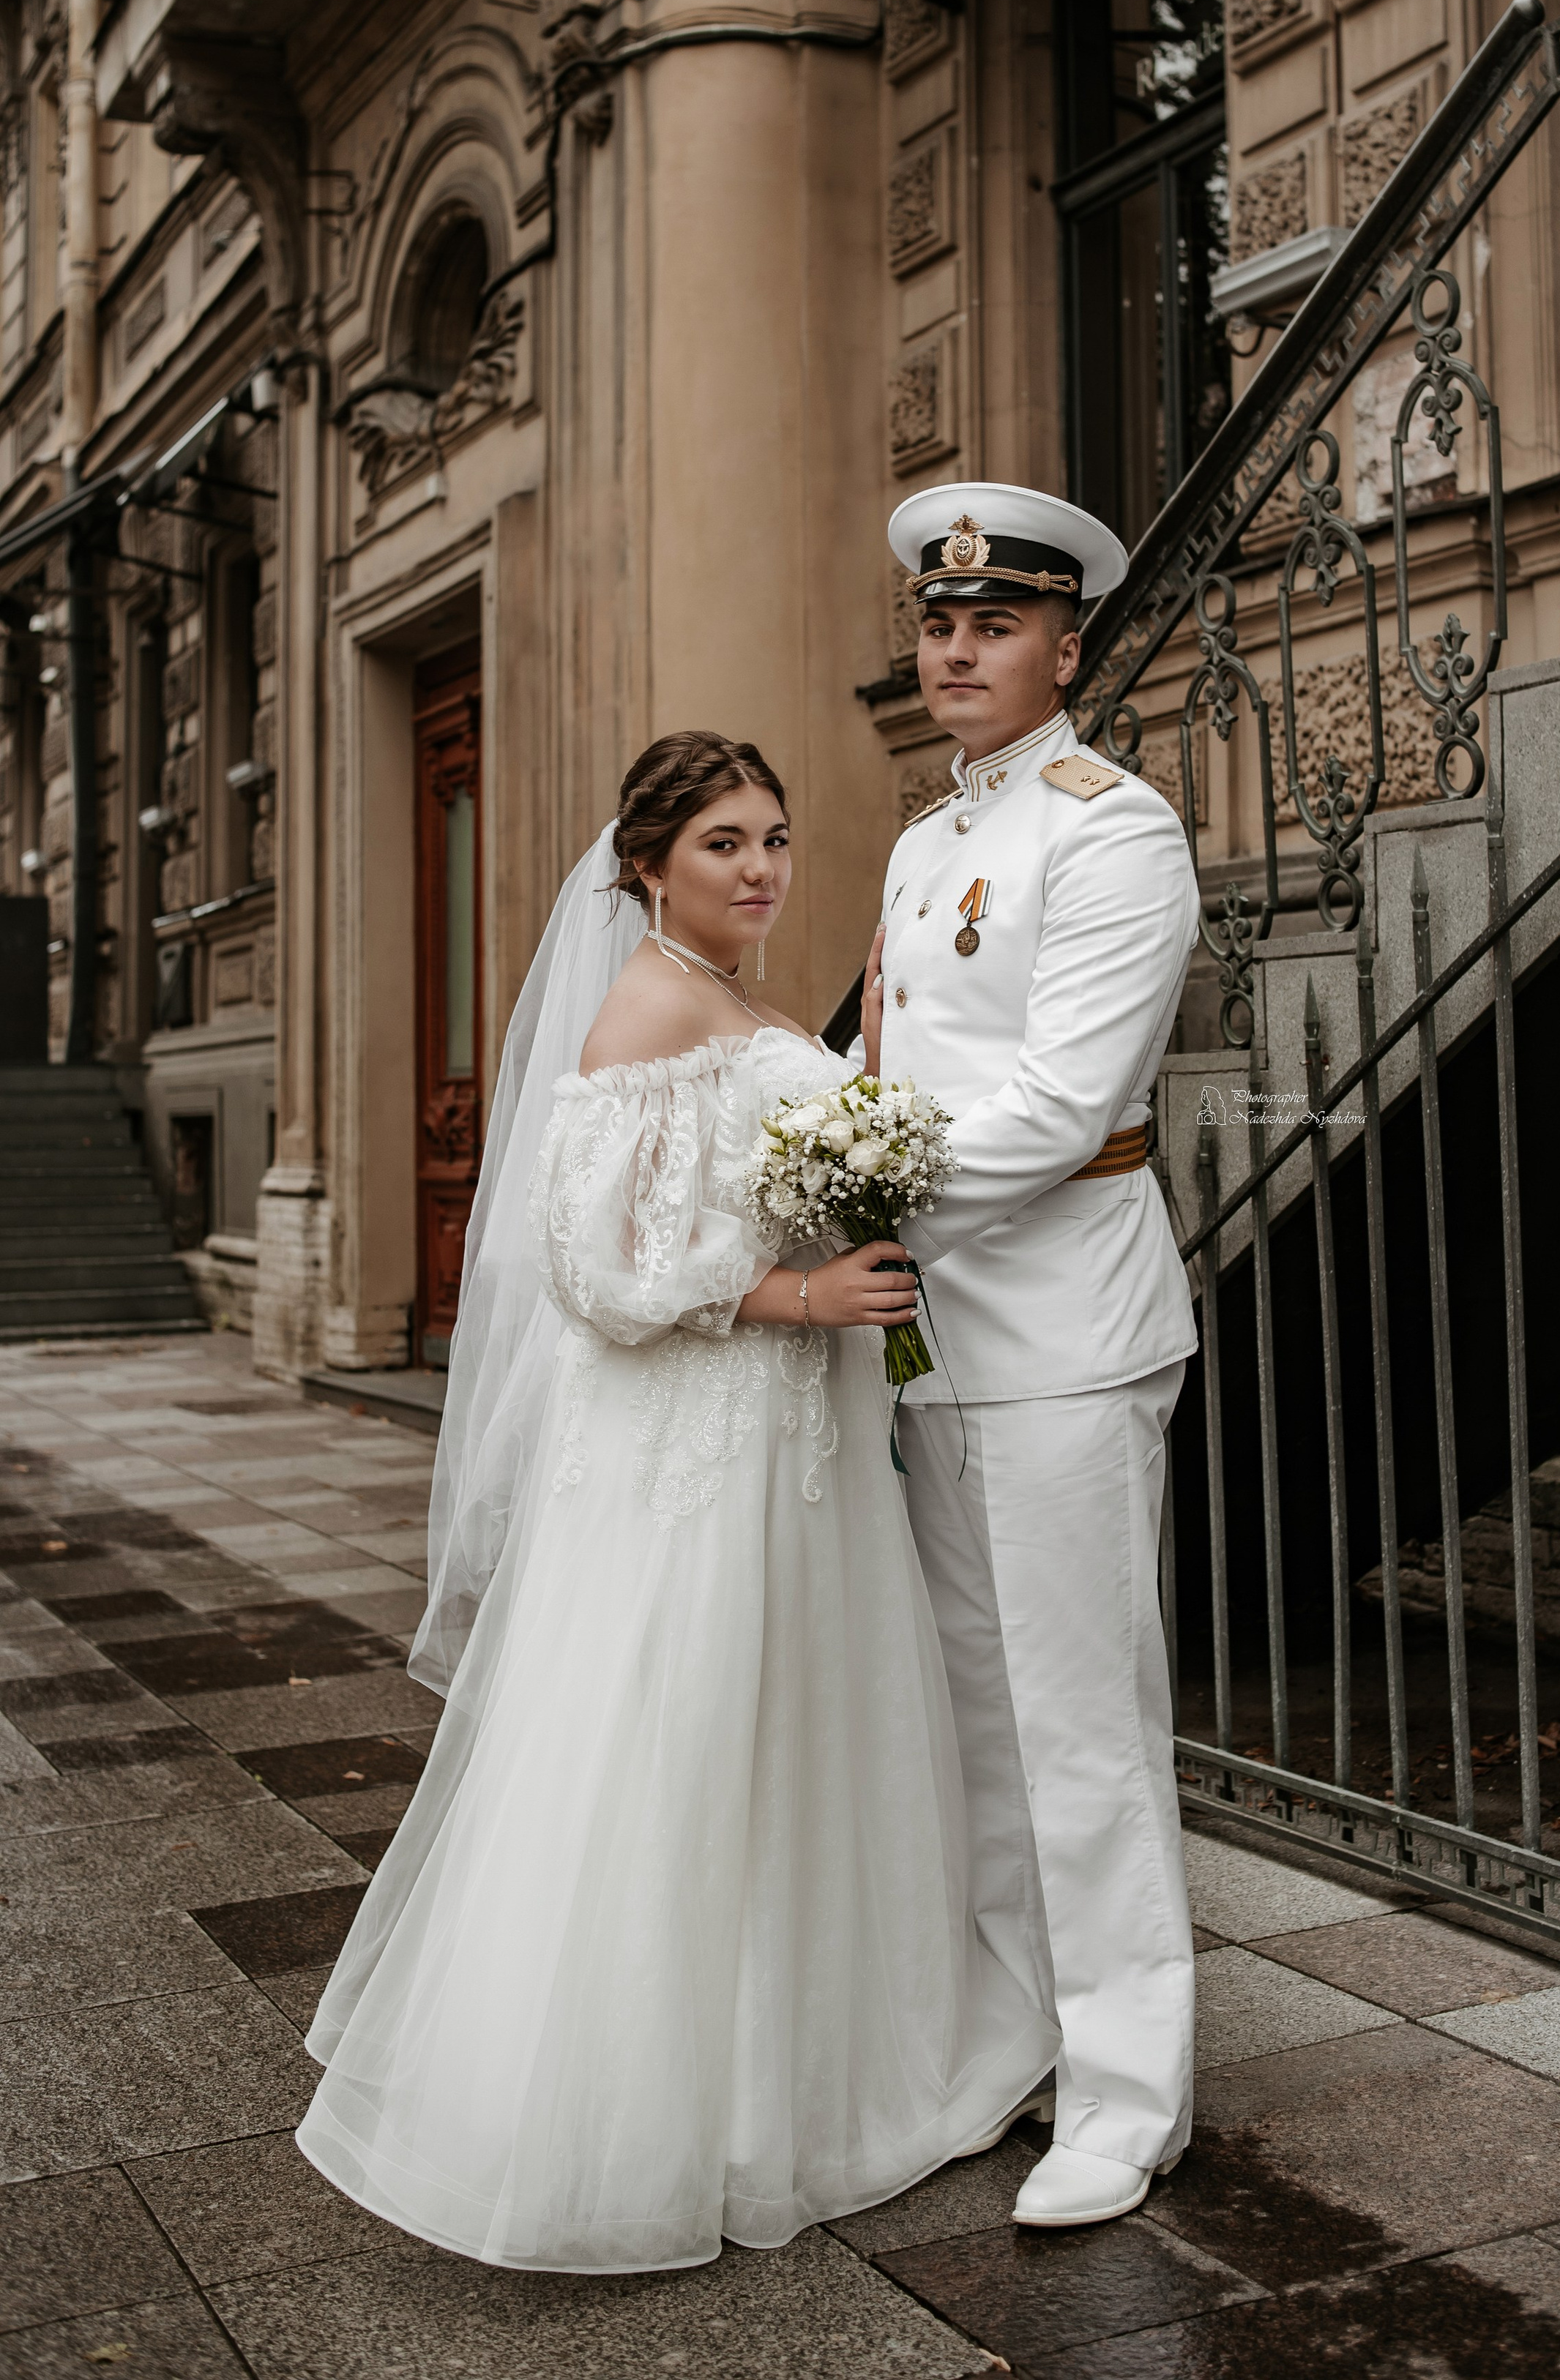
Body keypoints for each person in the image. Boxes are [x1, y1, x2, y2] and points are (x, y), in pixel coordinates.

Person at [296, 730, 1056, 2273]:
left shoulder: (736, 997)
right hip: (698, 1439)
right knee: (684, 1739)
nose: (759, 865)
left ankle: (792, 2073)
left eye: (772, 836)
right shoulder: (644, 1001)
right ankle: (632, 2121)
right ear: (644, 863)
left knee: (782, 1736)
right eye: (721, 842)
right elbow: (593, 1271)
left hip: (788, 1437)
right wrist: (800, 1292)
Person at [865, 482, 1202, 2231]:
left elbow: (1064, 1104)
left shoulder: (1111, 826)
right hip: (934, 1340)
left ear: (1065, 647)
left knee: (1080, 1725)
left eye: (993, 624)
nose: (955, 650)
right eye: (937, 623)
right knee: (979, 1720)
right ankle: (1015, 2039)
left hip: (1065, 1327)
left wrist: (853, 1189)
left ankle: (1128, 2093)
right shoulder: (925, 840)